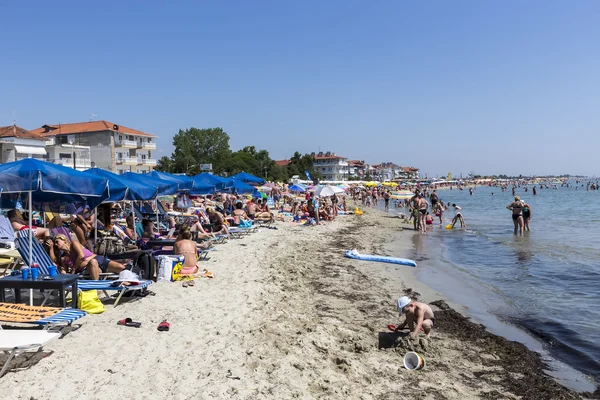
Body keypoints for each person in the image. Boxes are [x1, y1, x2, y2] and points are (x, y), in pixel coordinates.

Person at [47, 234, 125, 280]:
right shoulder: (63, 258)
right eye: (55, 244)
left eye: (57, 242)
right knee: (92, 262)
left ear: (64, 240)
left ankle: (130, 286)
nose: (56, 244)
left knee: (121, 268)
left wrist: (74, 268)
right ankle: (97, 289)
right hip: (88, 267)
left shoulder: (74, 244)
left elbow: (81, 256)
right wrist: (51, 248)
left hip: (99, 259)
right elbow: (64, 270)